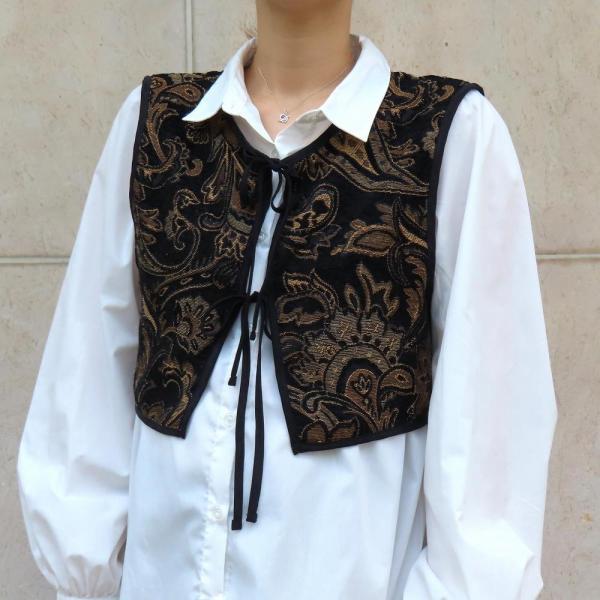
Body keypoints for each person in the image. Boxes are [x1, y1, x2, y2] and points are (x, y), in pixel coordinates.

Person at [16, 1, 558, 599]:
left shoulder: (447, 135)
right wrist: (85, 575)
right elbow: (87, 375)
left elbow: (491, 427)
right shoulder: (158, 125)